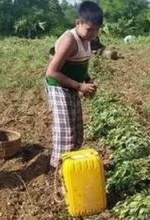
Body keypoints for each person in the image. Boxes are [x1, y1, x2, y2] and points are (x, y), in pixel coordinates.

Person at [45, 1, 103, 169]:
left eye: (96, 30)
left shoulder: (88, 39)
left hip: (71, 85)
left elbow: (80, 63)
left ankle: (73, 169)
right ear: (78, 22)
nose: (92, 34)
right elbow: (52, 72)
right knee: (66, 132)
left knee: (77, 131)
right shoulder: (69, 40)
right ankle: (58, 170)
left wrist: (87, 80)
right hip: (58, 86)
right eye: (89, 29)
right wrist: (79, 87)